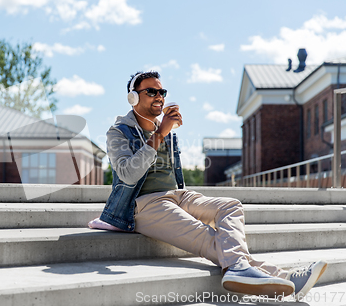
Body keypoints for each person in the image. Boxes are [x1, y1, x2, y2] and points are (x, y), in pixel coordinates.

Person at [94, 70, 327, 299]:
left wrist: (163, 132)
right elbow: (127, 174)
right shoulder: (119, 132)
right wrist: (160, 135)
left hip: (177, 195)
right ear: (133, 97)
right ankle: (285, 278)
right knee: (208, 236)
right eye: (151, 91)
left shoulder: (163, 129)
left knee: (231, 206)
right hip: (143, 205)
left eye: (162, 91)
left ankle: (243, 270)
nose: (159, 96)